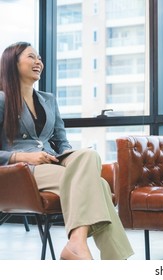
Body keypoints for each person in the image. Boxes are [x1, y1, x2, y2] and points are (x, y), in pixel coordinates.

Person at [0, 42, 134, 260]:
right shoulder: (2, 99)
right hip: (22, 172)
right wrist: (24, 156)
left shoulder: (49, 99)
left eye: (40, 58)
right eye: (31, 57)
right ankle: (114, 261)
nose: (38, 62)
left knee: (89, 155)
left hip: (52, 162)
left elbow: (62, 141)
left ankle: (76, 243)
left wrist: (68, 158)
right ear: (12, 64)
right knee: (99, 185)